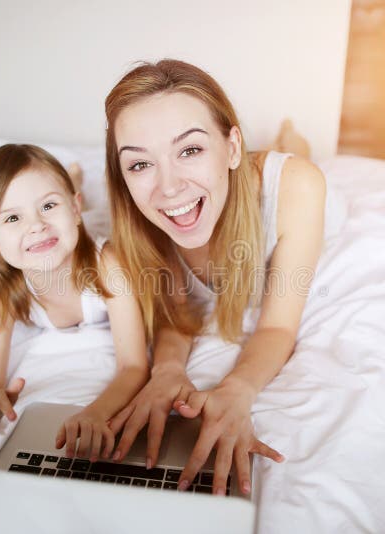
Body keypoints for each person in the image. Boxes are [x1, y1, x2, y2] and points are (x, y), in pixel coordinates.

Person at [104, 60, 327, 496]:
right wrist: (167, 369)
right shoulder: (140, 216)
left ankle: (288, 135)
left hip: (278, 174)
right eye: (139, 164)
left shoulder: (297, 187)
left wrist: (237, 389)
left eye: (190, 150)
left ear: (232, 146)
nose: (168, 189)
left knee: (299, 152)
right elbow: (177, 308)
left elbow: (279, 326)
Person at [0, 144, 148, 462]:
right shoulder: (7, 287)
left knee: (103, 216)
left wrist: (96, 412)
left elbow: (134, 366)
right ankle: (70, 183)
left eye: (48, 206)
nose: (36, 226)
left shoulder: (109, 265)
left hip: (89, 238)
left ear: (73, 211)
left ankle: (74, 182)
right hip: (72, 220)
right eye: (13, 218)